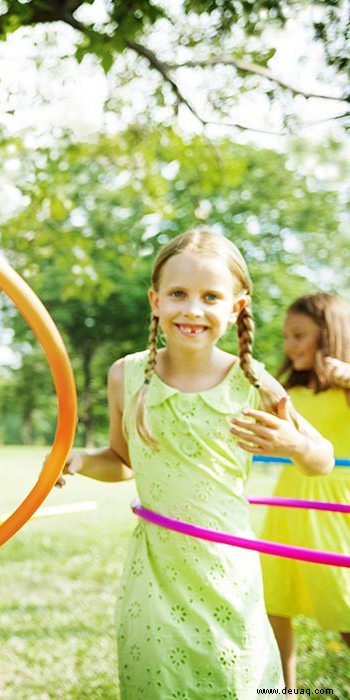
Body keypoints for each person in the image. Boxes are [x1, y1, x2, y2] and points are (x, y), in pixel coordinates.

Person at [57, 229, 334, 698]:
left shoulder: (252, 382)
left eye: (210, 296)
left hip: (226, 569)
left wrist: (294, 442)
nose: (192, 309)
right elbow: (123, 462)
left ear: (235, 307)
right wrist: (82, 460)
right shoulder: (127, 375)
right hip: (155, 572)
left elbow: (322, 460)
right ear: (156, 300)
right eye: (178, 294)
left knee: (234, 682)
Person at [259, 292, 350, 689]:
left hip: (331, 505)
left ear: (329, 337)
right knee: (273, 600)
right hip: (288, 502)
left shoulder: (345, 389)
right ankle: (285, 691)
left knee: (342, 604)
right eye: (286, 336)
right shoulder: (286, 394)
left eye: (299, 335)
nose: (290, 345)